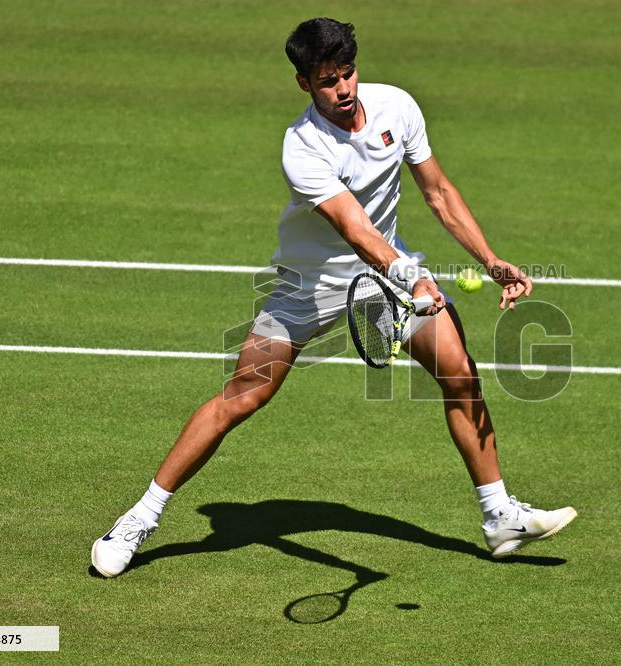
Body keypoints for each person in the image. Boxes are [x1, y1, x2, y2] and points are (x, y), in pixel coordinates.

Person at [91, 17, 576, 578]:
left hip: (390, 279)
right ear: (304, 84)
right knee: (241, 398)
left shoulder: (397, 106)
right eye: (327, 81)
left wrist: (489, 261)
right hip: (309, 287)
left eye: (347, 74)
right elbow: (356, 230)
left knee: (460, 374)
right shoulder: (303, 148)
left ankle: (500, 517)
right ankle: (138, 519)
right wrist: (412, 278)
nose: (343, 90)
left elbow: (438, 193)